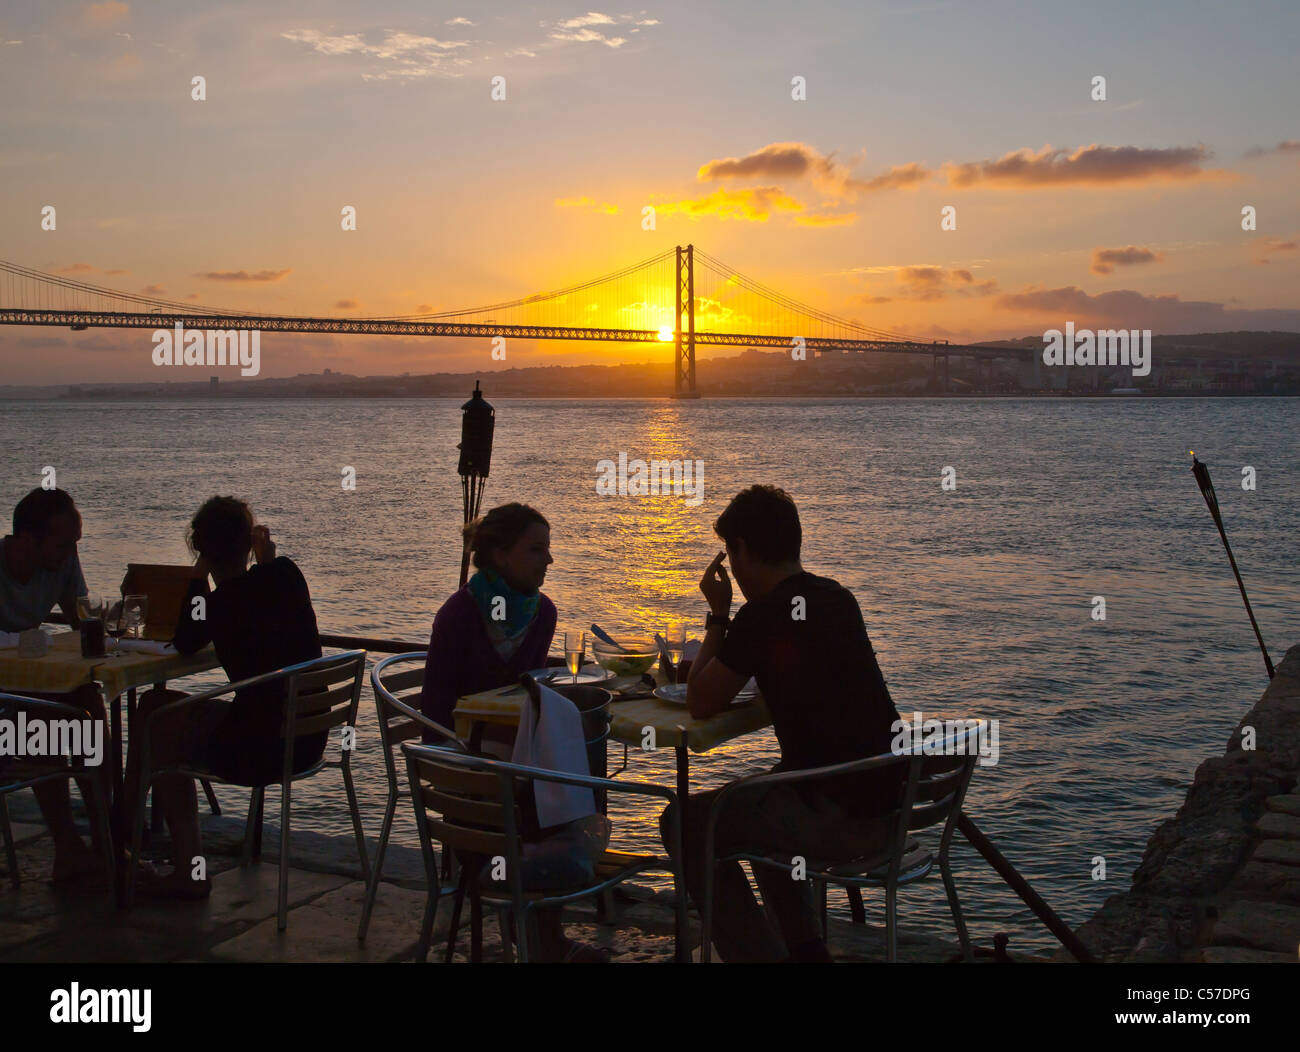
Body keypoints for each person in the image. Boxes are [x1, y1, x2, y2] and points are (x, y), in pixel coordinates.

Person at [660, 484, 903, 963]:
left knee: (683, 824)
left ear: (743, 550)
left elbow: (700, 701)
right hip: (889, 810)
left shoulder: (761, 616)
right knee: (761, 798)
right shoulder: (838, 598)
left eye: (731, 554)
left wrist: (718, 615)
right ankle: (807, 951)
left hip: (836, 820)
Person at [419, 503, 606, 962]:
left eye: (548, 548)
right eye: (537, 549)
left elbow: (530, 697)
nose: (549, 560)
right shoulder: (459, 614)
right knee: (553, 792)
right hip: (466, 772)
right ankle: (543, 934)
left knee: (568, 768)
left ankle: (540, 930)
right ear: (500, 555)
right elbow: (436, 715)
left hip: (517, 763)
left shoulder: (542, 614)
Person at [124, 496, 323, 898]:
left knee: (153, 715)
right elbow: (268, 587)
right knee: (159, 712)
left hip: (256, 751)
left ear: (202, 549)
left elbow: (185, 641)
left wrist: (198, 575)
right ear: (248, 544)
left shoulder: (217, 605)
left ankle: (160, 850)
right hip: (306, 740)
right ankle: (128, 823)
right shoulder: (287, 574)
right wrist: (266, 557)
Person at [0, 487, 110, 884]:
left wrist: (109, 626)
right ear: (27, 540)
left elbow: (81, 620)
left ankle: (105, 839)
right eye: (64, 544)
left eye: (76, 544)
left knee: (88, 704)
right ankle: (67, 849)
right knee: (45, 717)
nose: (71, 553)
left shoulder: (60, 562)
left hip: (27, 686)